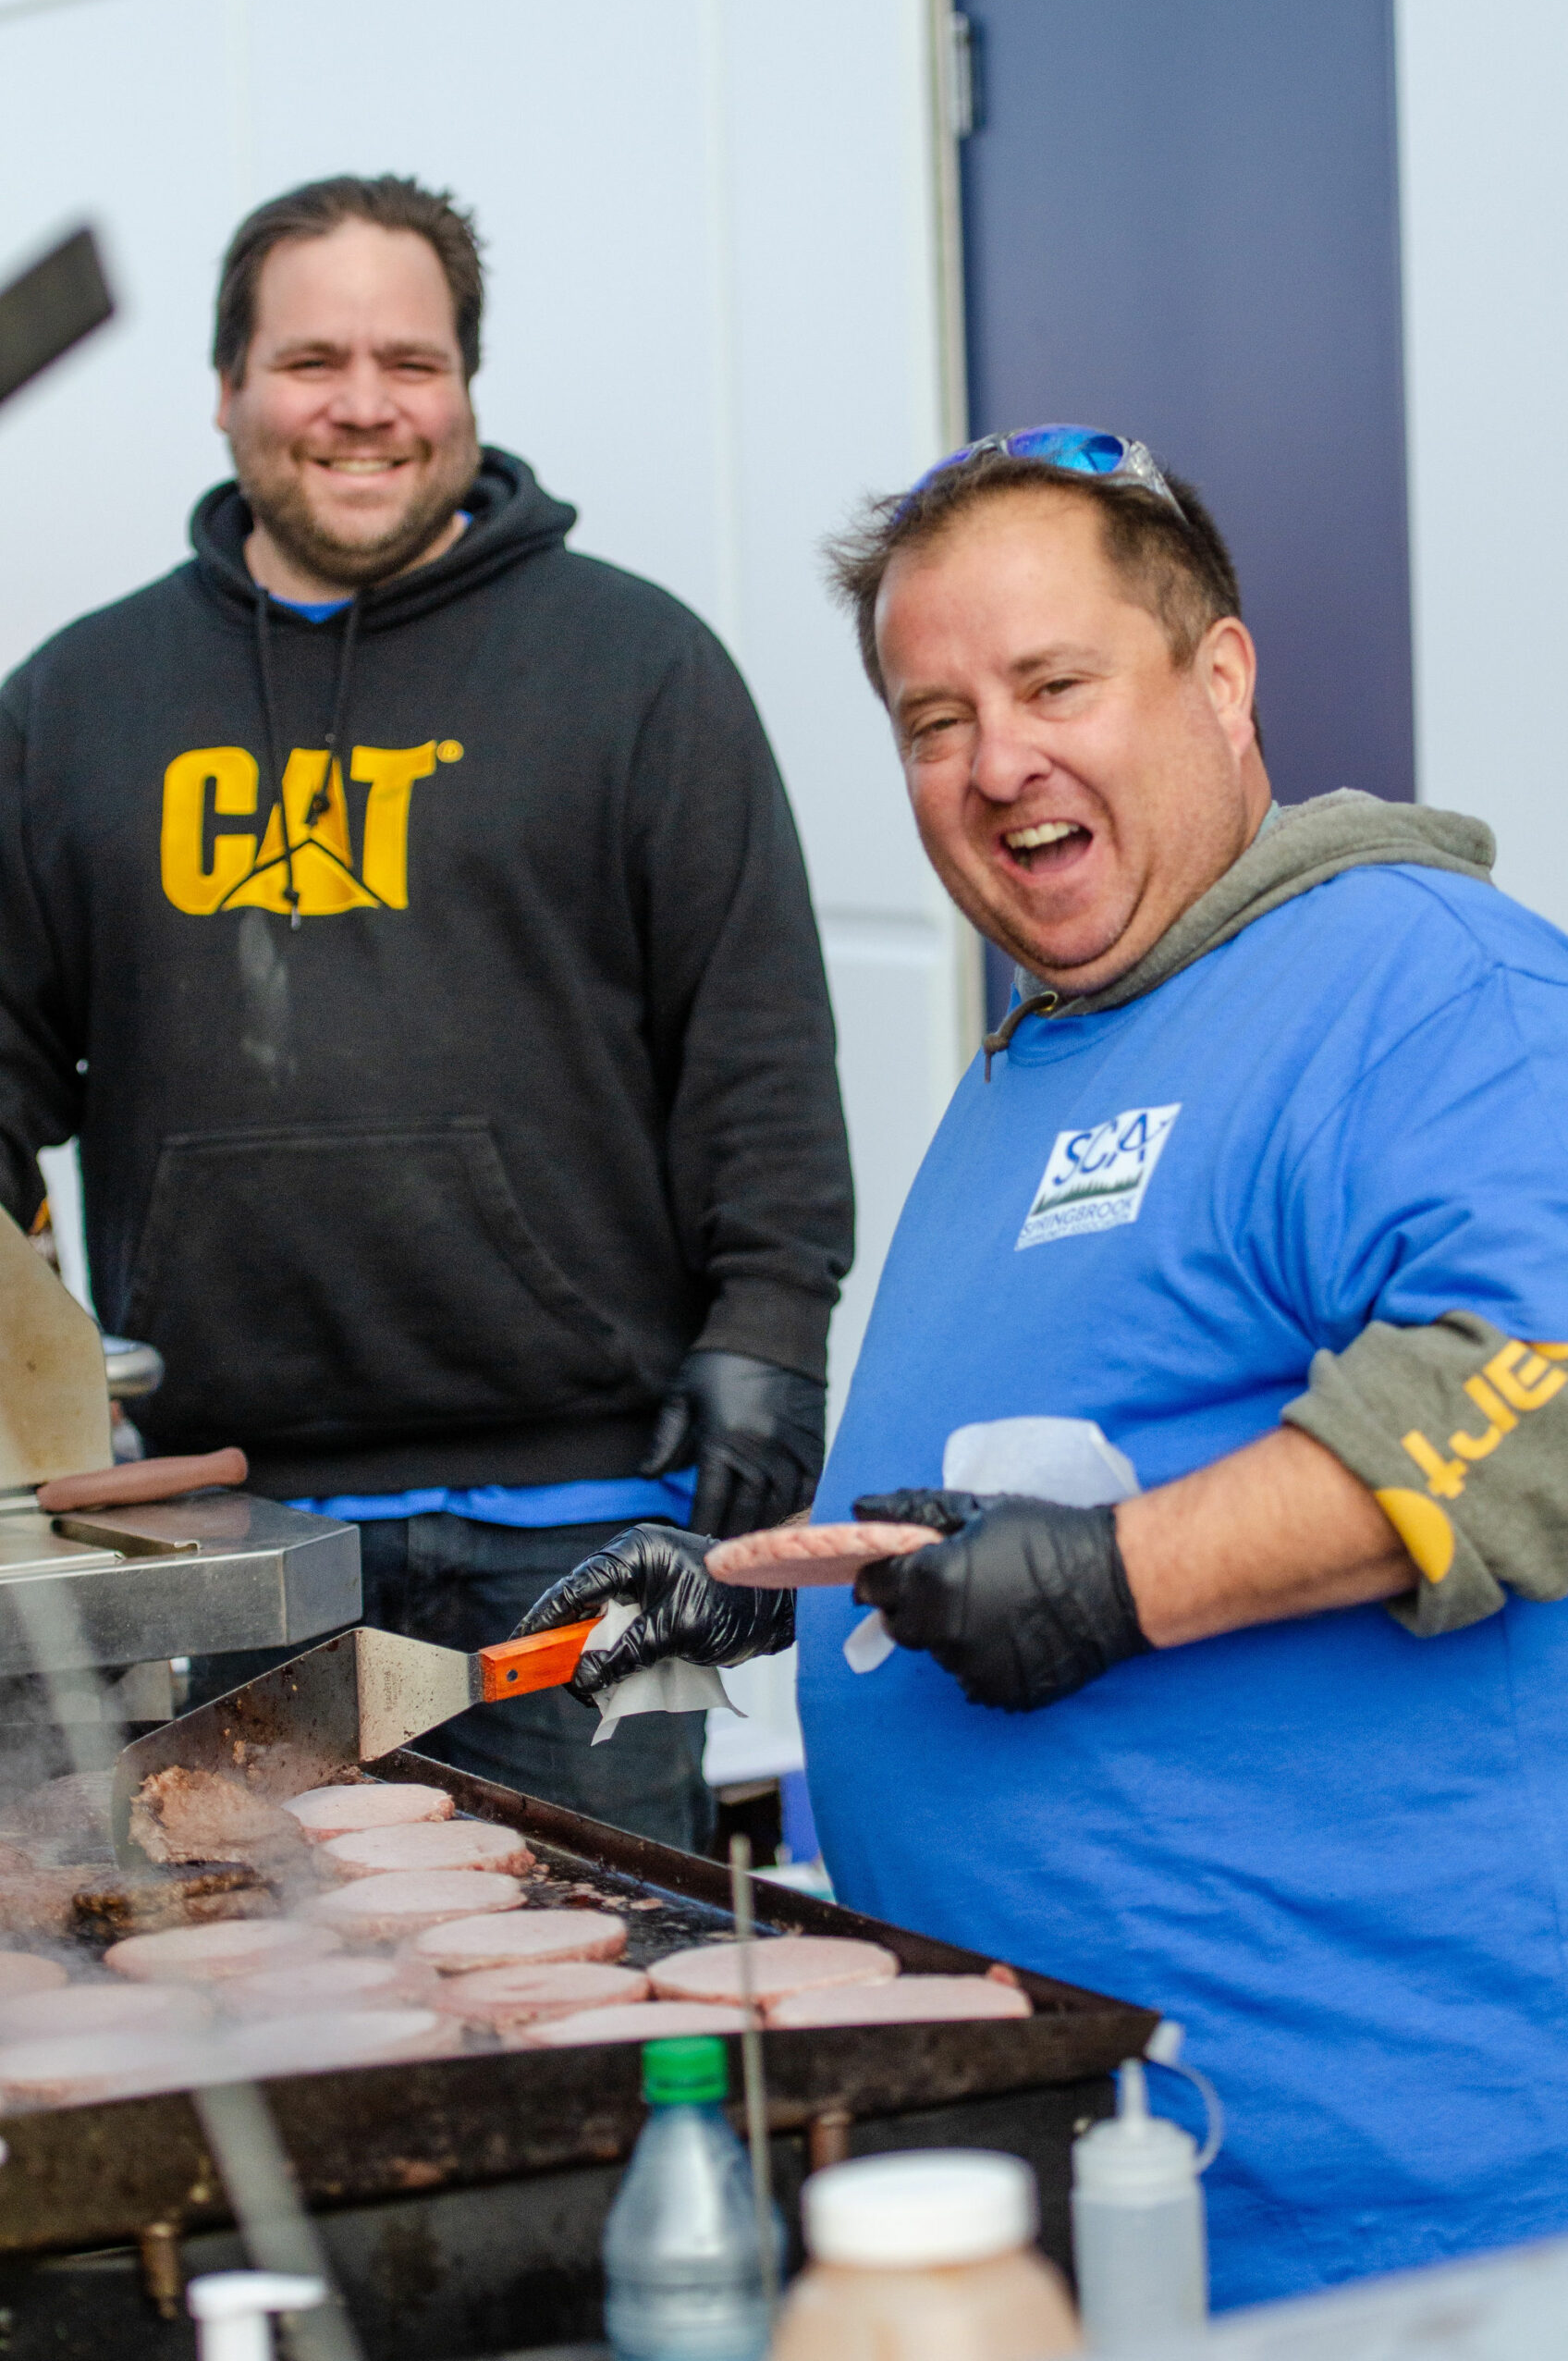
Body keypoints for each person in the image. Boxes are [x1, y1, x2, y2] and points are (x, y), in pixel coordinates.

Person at [520, 426, 1568, 2303]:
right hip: (1063, 2184)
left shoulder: (1418, 979)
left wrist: (1114, 1582)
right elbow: (1037, 1479)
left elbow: (1535, 1380)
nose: (996, 762)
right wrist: (763, 1590)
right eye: (933, 721)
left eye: (1053, 685)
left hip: (1382, 2207)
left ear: (1220, 679)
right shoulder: (1039, 1060)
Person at [0, 175, 853, 1851]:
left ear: (465, 385)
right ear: (228, 388)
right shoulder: (75, 707)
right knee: (248, 1972)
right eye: (312, 360)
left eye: (412, 360)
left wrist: (772, 1328)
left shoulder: (637, 669)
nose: (365, 404)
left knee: (608, 1968)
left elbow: (755, 1039)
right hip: (228, 1537)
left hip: (587, 1528)